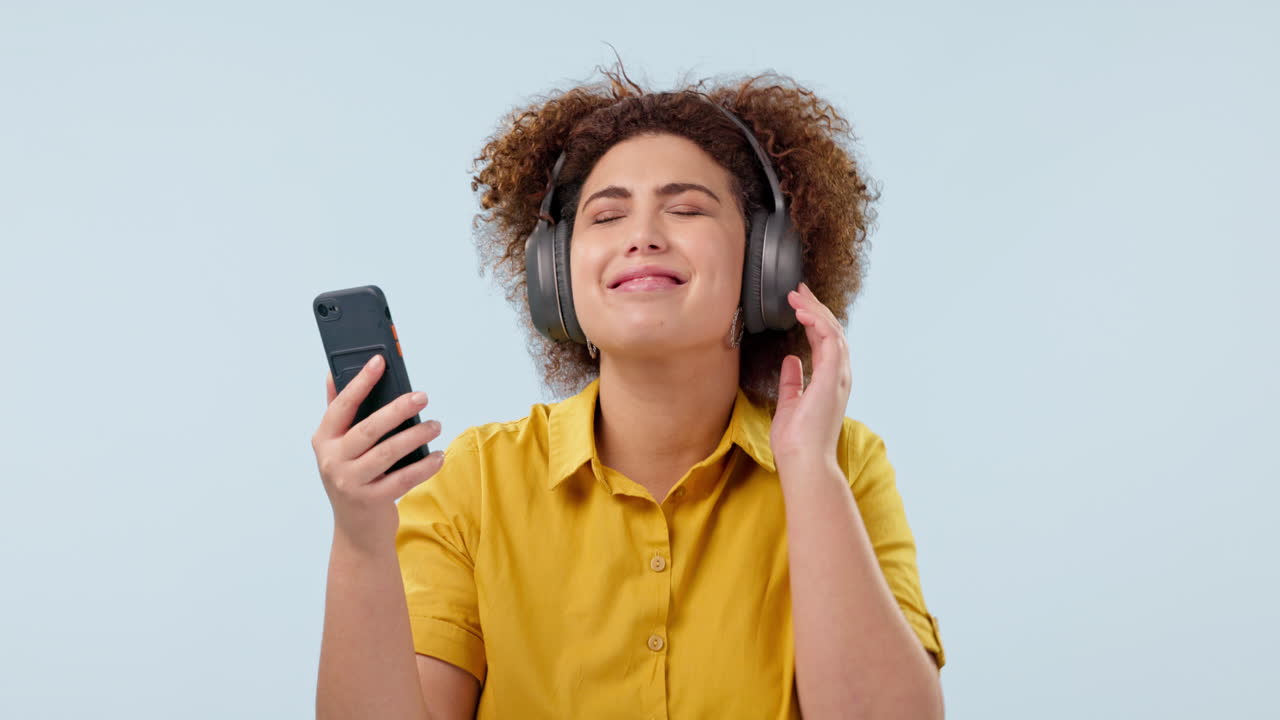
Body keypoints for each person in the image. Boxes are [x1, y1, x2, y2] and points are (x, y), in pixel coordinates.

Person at [313, 60, 946, 719]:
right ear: (555, 278)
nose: (642, 237)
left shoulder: (843, 465)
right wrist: (361, 538)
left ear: (766, 262)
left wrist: (808, 471)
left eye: (686, 208)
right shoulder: (474, 483)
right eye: (607, 216)